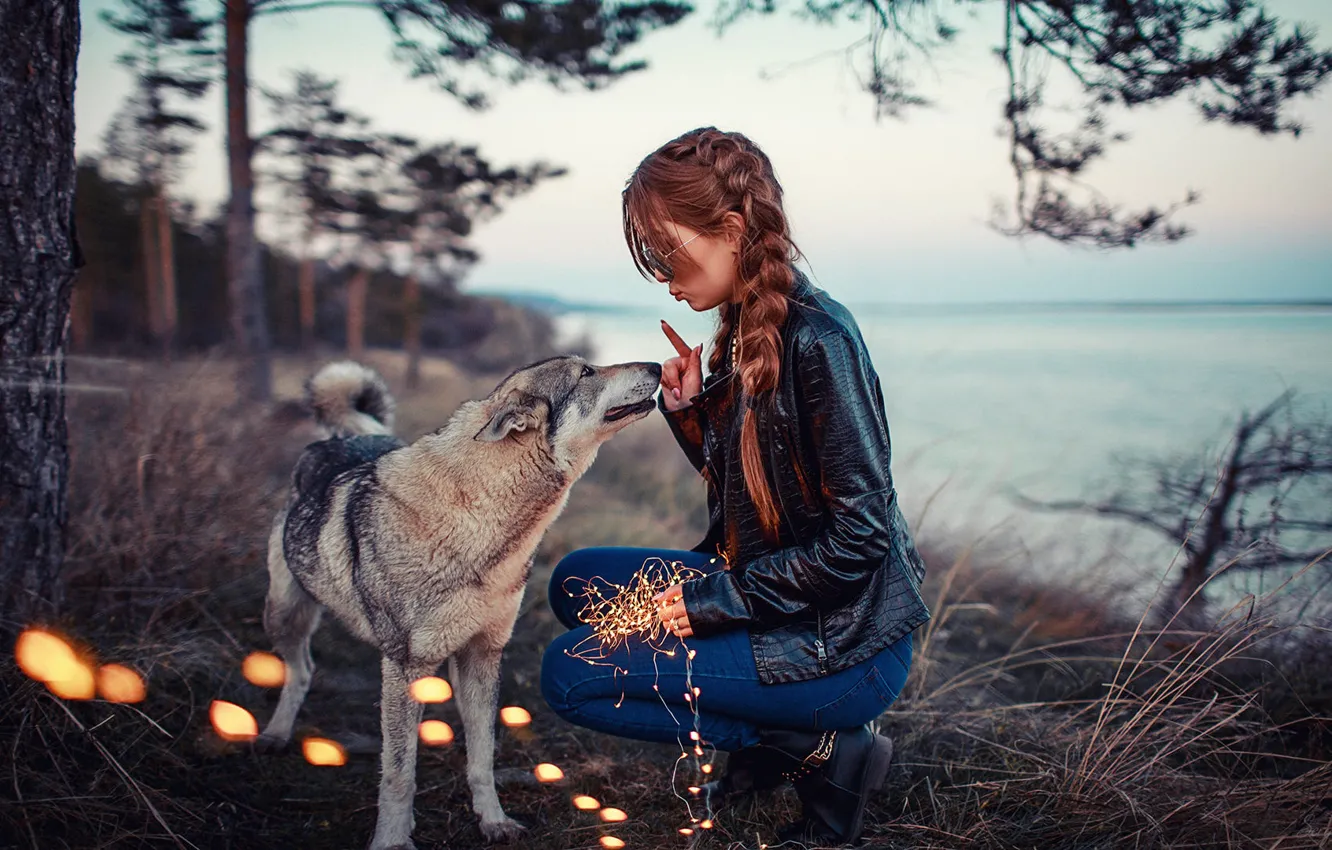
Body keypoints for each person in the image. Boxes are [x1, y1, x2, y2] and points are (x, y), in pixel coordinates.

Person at [540, 126, 931, 847]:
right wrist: (694, 417)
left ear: (729, 229)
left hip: (841, 647)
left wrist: (712, 603)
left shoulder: (820, 341)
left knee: (571, 675)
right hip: (779, 603)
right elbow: (760, 505)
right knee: (574, 584)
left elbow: (860, 541)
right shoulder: (746, 323)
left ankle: (818, 748)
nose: (663, 276)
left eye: (668, 252)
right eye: (651, 259)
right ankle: (776, 734)